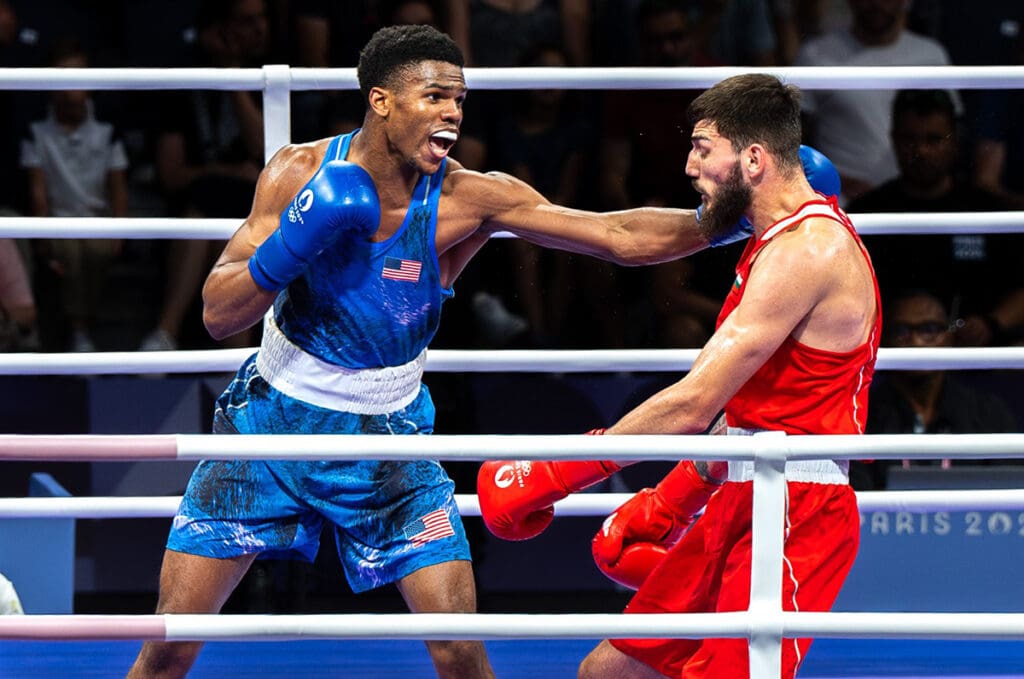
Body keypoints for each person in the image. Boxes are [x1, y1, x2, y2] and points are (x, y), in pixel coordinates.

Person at [128, 25, 835, 679]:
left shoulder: (470, 198)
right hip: (269, 428)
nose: (453, 113)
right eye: (434, 95)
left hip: (387, 445)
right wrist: (297, 240)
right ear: (380, 100)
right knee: (170, 646)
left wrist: (737, 213)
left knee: (462, 650)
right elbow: (218, 313)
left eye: (460, 99)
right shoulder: (297, 175)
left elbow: (616, 235)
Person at [477, 73, 878, 678]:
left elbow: (694, 401)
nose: (689, 166)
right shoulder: (771, 242)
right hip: (745, 488)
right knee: (606, 673)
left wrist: (557, 472)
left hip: (793, 510)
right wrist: (674, 497)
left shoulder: (808, 251)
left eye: (701, 147)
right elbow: (750, 411)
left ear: (753, 158)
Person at [850, 89, 1024, 347]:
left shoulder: (988, 211)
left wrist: (991, 323)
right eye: (910, 139)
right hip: (887, 360)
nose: (921, 150)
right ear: (894, 140)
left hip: (977, 362)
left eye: (934, 140)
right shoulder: (866, 213)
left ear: (954, 142)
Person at [19, 37, 129, 352]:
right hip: (57, 220)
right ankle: (79, 330)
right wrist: (42, 235)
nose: (71, 89)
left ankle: (82, 326)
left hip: (98, 219)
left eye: (78, 77)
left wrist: (121, 227)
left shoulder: (108, 127)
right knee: (66, 253)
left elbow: (118, 184)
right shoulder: (35, 130)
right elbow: (36, 188)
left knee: (96, 251)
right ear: (50, 84)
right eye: (62, 78)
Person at [795, 0, 954, 203]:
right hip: (840, 202)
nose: (876, 4)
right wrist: (833, 180)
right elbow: (790, 138)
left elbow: (949, 132)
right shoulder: (816, 55)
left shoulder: (932, 56)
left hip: (920, 199)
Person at [860, 288, 1018, 488]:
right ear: (884, 339)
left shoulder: (988, 412)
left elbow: (1009, 486)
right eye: (900, 331)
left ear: (949, 337)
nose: (916, 342)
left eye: (929, 329)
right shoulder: (864, 414)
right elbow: (858, 491)